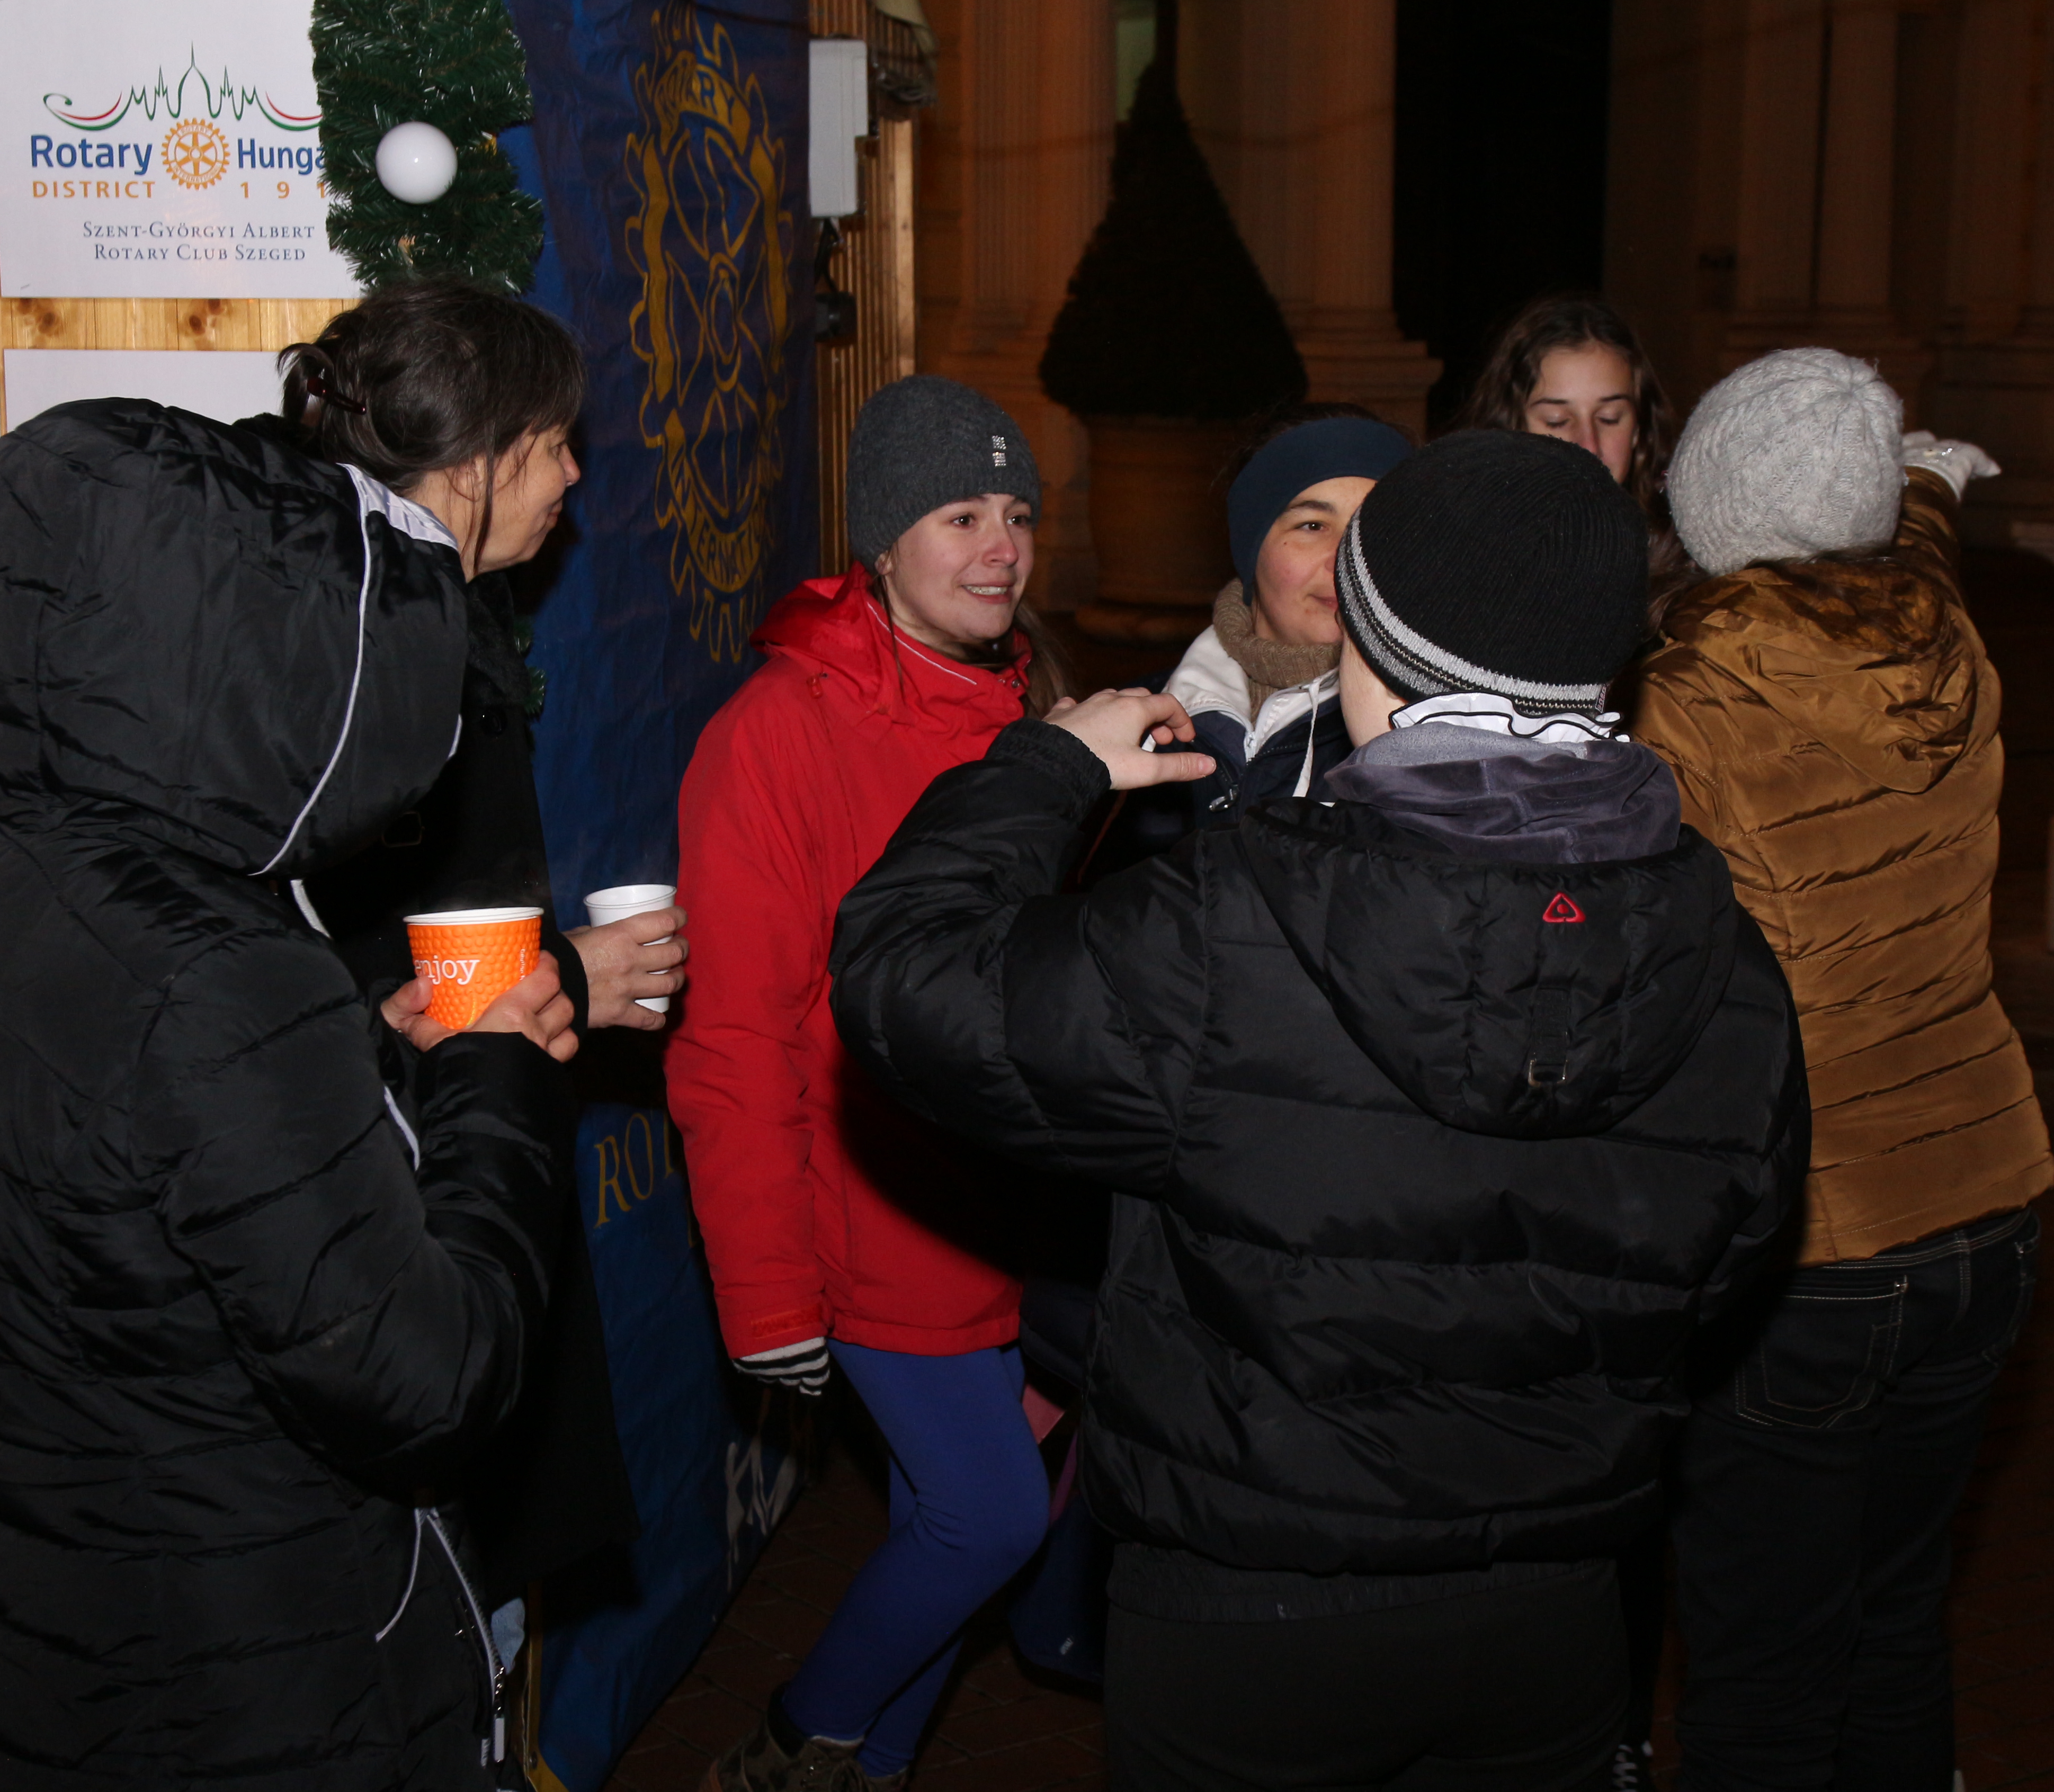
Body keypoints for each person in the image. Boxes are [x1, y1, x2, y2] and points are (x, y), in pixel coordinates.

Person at [830, 431, 1809, 1791]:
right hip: (1555, 1604)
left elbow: (903, 980)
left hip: (1254, 1605)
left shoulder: (1238, 915)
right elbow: (1737, 1248)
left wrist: (1042, 770)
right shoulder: (1724, 947)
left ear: (1376, 647)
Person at [0, 350, 583, 1782]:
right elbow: (428, 1382)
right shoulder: (216, 967)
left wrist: (368, 1059)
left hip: (41, 1651)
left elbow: (138, 1181)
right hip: (253, 1691)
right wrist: (494, 1077)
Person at [1629, 348, 2054, 1792]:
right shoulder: (1949, 645)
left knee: (1761, 1672)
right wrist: (1926, 478)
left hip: (1811, 1243)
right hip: (1987, 1211)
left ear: (1713, 512)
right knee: (1895, 1620)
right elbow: (1915, 552)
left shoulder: (1690, 698)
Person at [668, 375, 1069, 1789]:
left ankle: (867, 1768)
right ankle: (793, 1739)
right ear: (881, 542)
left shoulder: (1026, 710)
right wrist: (767, 1287)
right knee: (988, 1520)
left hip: (1010, 1207)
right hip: (876, 1212)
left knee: (944, 1527)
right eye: (959, 515)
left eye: (1016, 512)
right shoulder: (777, 731)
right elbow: (734, 1035)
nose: (1000, 547)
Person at [277, 282, 682, 1602]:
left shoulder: (427, 621)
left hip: (462, 1168)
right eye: (552, 442)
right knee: (442, 1609)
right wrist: (561, 973)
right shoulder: (352, 667)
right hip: (393, 1219)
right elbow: (338, 972)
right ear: (473, 463)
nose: (573, 474)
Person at [1088, 406, 1411, 876]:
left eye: (1374, 526)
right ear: (1251, 546)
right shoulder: (1134, 721)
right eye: (1312, 526)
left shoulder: (1431, 740)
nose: (1345, 557)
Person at [1457, 292, 1690, 603]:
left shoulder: (1679, 561)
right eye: (1558, 421)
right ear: (1510, 428)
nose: (1589, 445)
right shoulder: (1467, 555)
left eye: (1609, 418)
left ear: (1638, 429)